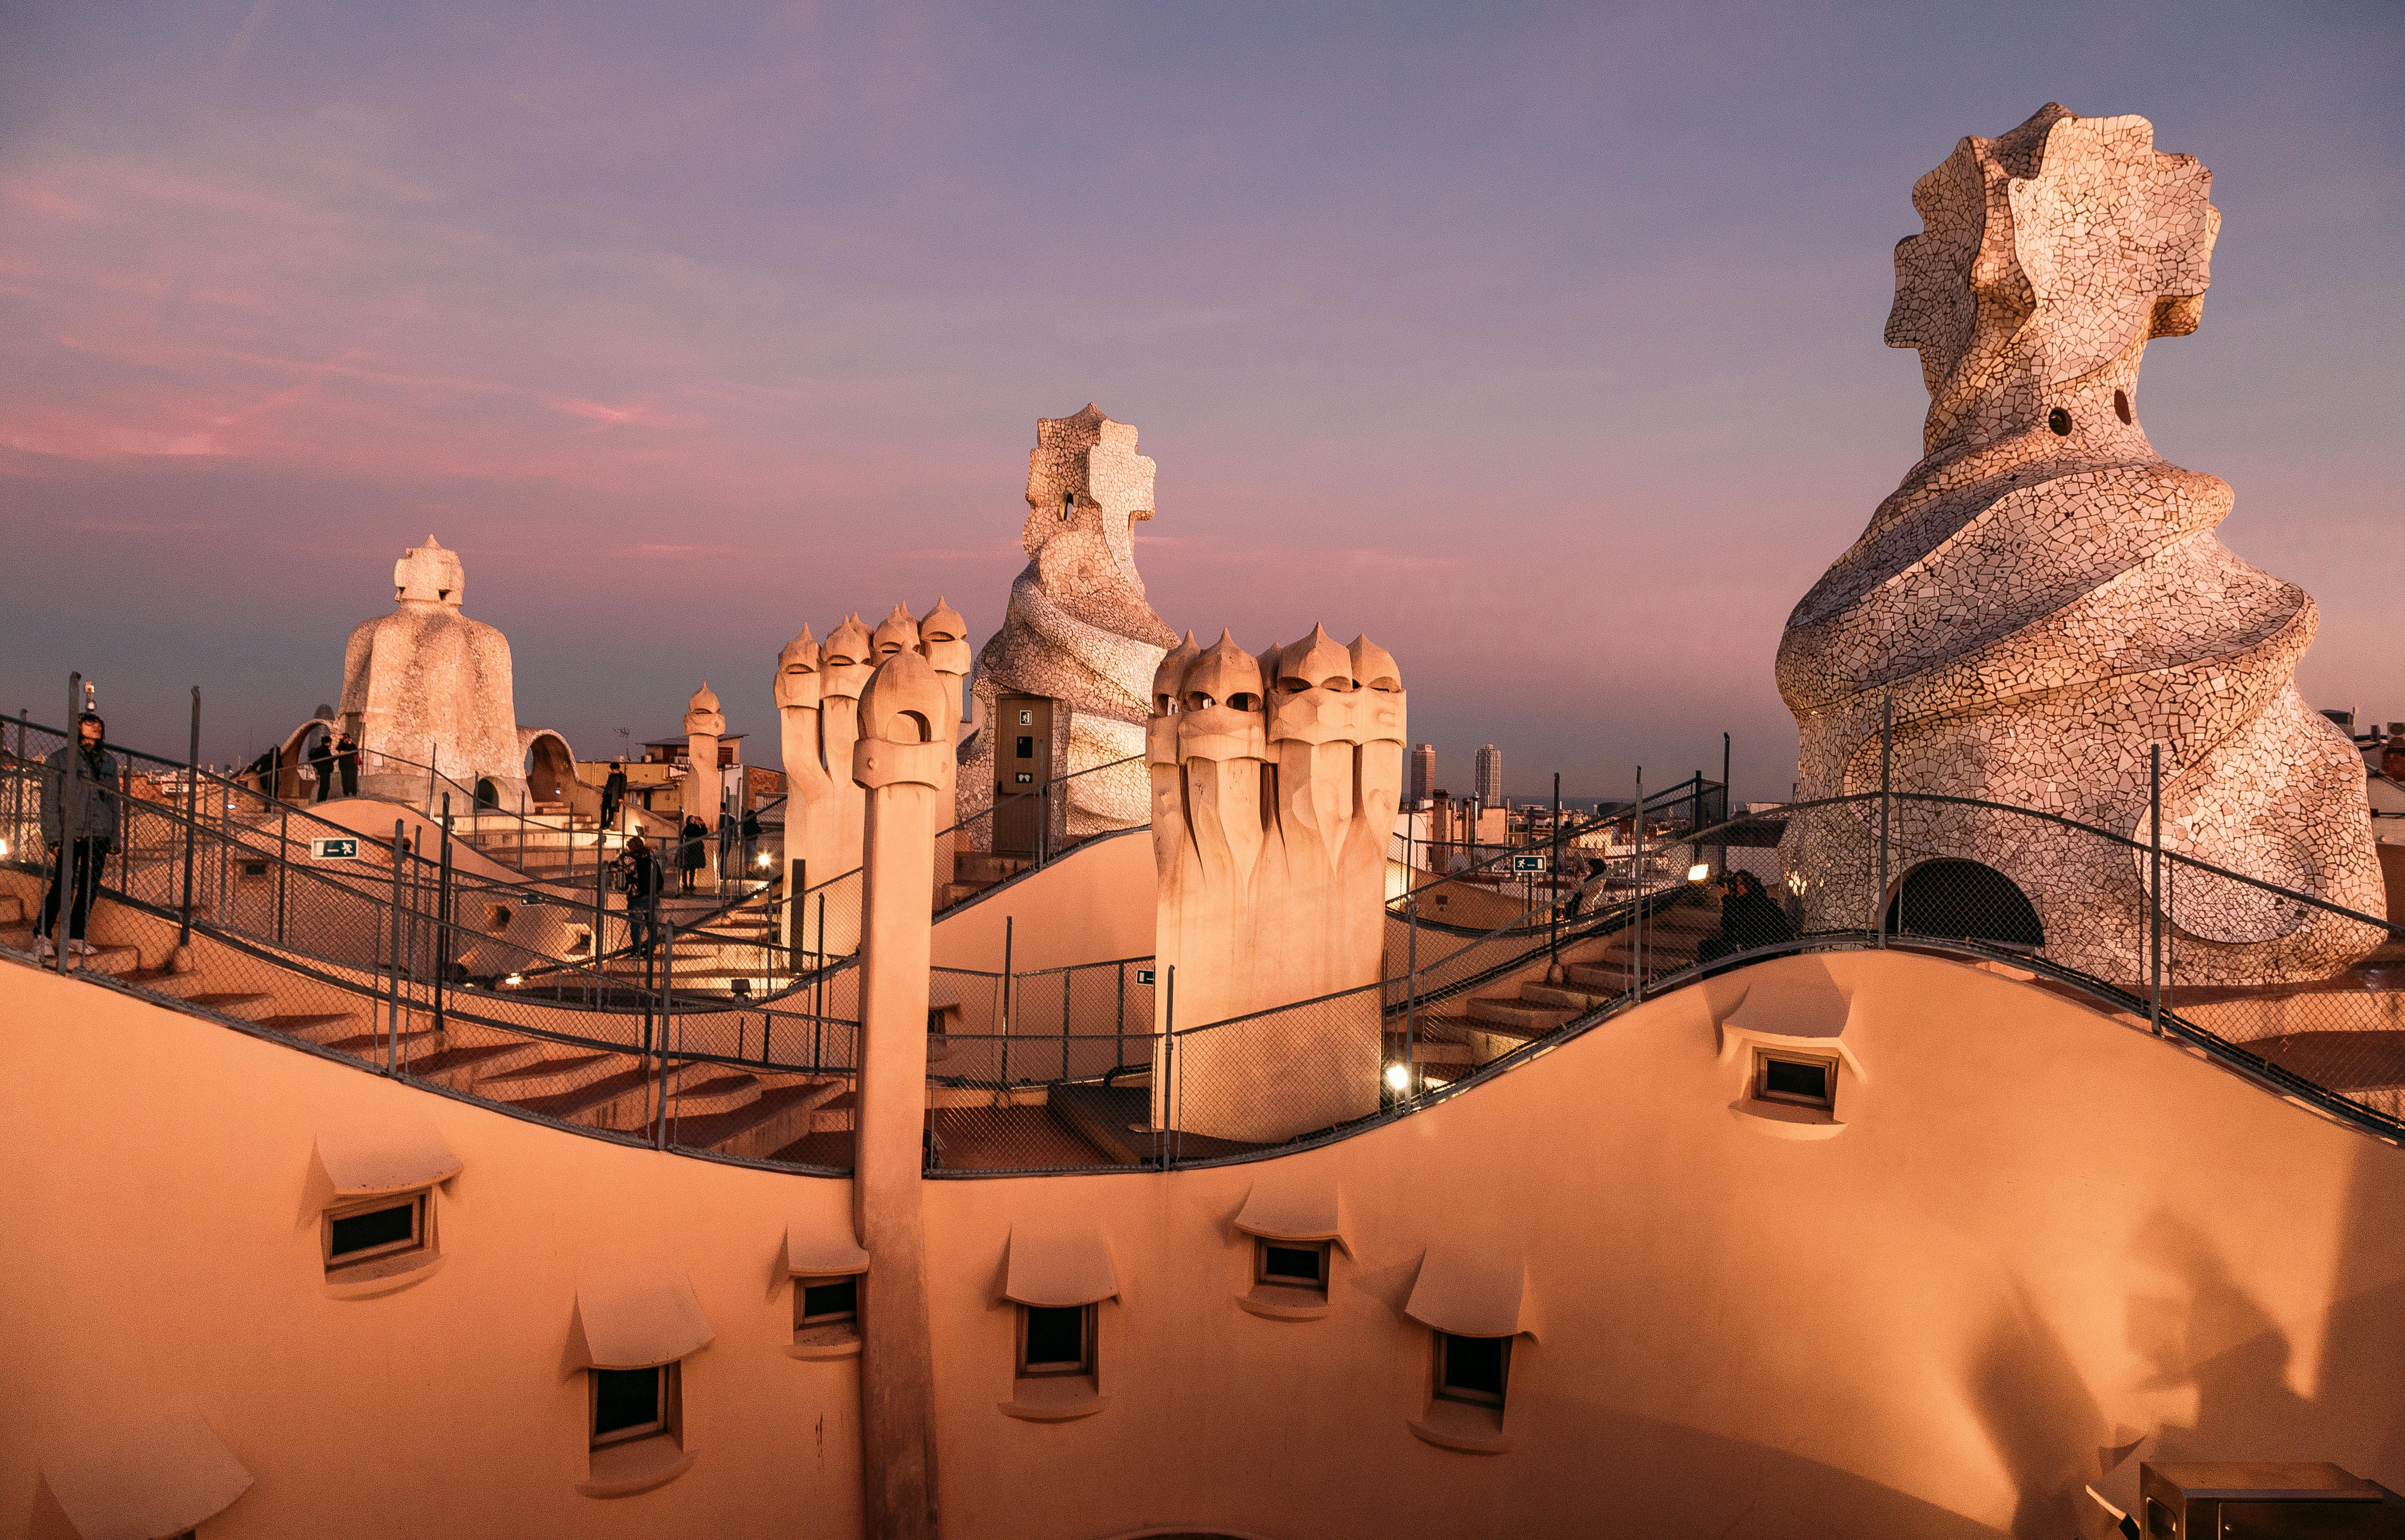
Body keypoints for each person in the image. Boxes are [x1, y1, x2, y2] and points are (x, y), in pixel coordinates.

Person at [38, 712, 120, 963]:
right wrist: (53, 836)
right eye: (89, 723)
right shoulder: (60, 759)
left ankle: (76, 936)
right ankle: (41, 935)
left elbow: (115, 801)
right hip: (71, 832)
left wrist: (115, 836)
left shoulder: (109, 763)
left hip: (101, 832)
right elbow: (50, 800)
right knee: (63, 885)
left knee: (90, 887)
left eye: (99, 724)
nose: (96, 727)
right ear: (77, 728)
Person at [1695, 868, 1796, 970]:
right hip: (1744, 944)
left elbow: (1743, 922)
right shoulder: (1739, 902)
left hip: (1758, 948)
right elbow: (1727, 925)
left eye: (1739, 885)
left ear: (1749, 885)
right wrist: (1729, 900)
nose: (1736, 888)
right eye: (1734, 885)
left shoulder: (1760, 901)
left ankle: (1722, 981)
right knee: (1705, 947)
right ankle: (1714, 982)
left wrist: (1727, 899)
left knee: (1721, 950)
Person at [618, 834, 661, 958]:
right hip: (653, 895)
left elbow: (616, 867)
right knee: (652, 925)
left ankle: (636, 951)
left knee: (636, 926)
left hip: (637, 896)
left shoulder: (629, 859)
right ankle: (650, 951)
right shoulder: (651, 856)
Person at [678, 812, 709, 894]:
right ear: (689, 821)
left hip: (695, 849)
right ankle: (686, 884)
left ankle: (691, 884)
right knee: (686, 867)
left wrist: (702, 823)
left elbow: (704, 832)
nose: (694, 820)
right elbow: (684, 835)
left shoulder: (697, 827)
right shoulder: (689, 828)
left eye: (694, 819)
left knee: (693, 868)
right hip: (689, 849)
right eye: (692, 819)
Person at [598, 760, 627, 832]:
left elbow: (623, 787)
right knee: (604, 809)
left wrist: (621, 797)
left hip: (615, 797)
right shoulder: (611, 776)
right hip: (607, 795)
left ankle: (608, 825)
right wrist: (604, 794)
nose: (612, 771)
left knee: (611, 812)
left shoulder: (623, 777)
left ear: (617, 769)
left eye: (613, 770)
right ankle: (603, 825)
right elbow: (608, 786)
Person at [308, 732, 337, 804]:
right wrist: (339, 756)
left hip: (324, 771)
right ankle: (321, 801)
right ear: (326, 743)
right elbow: (329, 759)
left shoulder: (325, 750)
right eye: (330, 743)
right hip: (324, 771)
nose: (330, 744)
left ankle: (321, 801)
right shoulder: (323, 751)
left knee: (325, 786)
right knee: (325, 787)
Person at [334, 731, 360, 798]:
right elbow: (338, 748)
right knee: (345, 779)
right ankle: (346, 793)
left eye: (347, 738)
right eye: (344, 738)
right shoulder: (342, 745)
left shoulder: (352, 745)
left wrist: (350, 744)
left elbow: (355, 751)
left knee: (353, 779)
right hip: (344, 766)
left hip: (352, 765)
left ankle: (354, 793)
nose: (346, 740)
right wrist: (341, 740)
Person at [739, 807, 761, 879]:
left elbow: (743, 831)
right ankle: (750, 871)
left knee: (747, 855)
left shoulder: (745, 822)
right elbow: (760, 830)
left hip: (747, 840)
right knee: (752, 855)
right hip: (753, 840)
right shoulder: (753, 822)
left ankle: (747, 871)